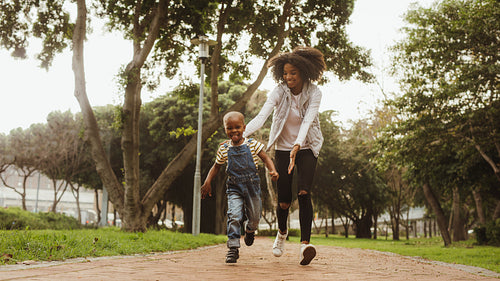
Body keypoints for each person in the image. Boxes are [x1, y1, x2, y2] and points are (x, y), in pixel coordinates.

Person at [243, 46, 326, 265]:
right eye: (285, 73)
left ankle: (304, 245)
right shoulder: (279, 91)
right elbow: (262, 117)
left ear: (304, 73)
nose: (288, 77)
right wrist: (240, 135)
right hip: (281, 149)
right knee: (284, 202)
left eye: (293, 73)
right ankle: (282, 234)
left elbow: (308, 121)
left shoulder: (314, 92)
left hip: (307, 147)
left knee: (304, 193)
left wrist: (298, 145)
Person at [201, 111, 279, 263]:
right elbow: (216, 167)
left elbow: (265, 158)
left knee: (255, 217)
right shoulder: (224, 148)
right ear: (225, 130)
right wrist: (207, 181)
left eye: (237, 127)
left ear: (244, 128)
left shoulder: (252, 144)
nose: (234, 131)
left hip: (252, 186)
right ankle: (233, 248)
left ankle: (250, 230)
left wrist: (273, 170)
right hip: (234, 187)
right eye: (230, 128)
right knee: (234, 215)